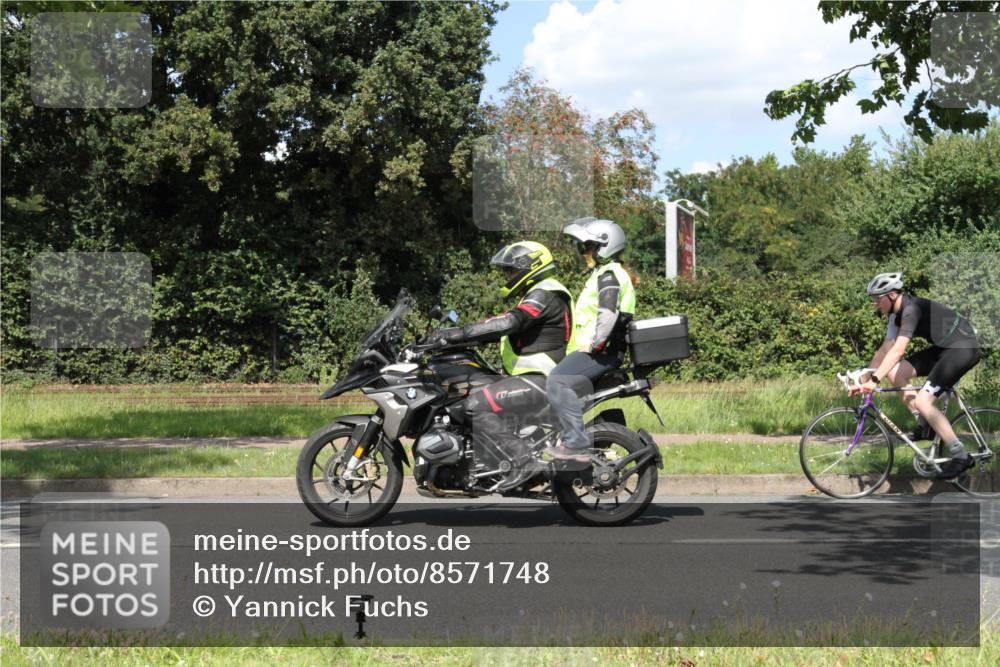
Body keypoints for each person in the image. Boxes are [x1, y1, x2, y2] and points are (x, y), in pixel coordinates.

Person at [429, 241, 574, 475]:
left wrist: (456, 334)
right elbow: (509, 327)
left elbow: (510, 322)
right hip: (534, 379)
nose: (508, 275)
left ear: (531, 266)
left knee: (474, 406)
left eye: (511, 270)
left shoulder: (545, 293)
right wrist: (465, 339)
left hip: (541, 379)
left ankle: (525, 463)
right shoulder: (539, 293)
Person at [853, 272, 981, 478]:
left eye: (877, 299)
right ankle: (927, 427)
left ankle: (961, 456)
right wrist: (867, 378)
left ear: (892, 295)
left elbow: (898, 350)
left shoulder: (911, 310)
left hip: (963, 348)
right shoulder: (895, 316)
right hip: (945, 348)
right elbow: (886, 349)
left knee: (924, 401)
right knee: (895, 373)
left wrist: (875, 380)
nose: (875, 304)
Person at [544, 217, 636, 462]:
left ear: (604, 246)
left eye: (588, 246)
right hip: (598, 352)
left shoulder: (609, 275)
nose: (584, 251)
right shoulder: (603, 274)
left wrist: (595, 345)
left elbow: (607, 314)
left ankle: (576, 443)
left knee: (558, 381)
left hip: (602, 353)